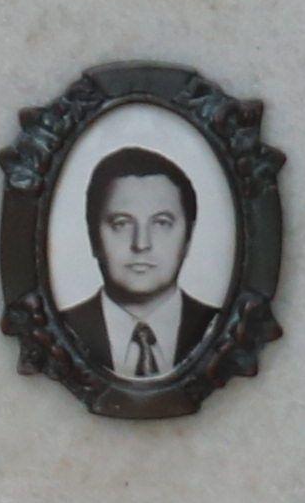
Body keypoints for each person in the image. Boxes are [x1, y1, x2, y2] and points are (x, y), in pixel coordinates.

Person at [75, 145, 209, 386]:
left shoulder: (218, 328)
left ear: (188, 237)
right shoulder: (64, 329)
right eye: (121, 223)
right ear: (93, 237)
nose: (141, 244)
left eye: (161, 223)